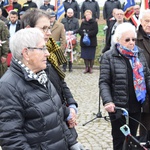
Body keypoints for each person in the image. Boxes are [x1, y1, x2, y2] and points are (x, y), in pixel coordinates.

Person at [0, 28, 83, 150]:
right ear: (26, 53)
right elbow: (12, 138)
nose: (48, 53)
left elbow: (57, 117)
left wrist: (71, 143)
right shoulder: (8, 86)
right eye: (42, 48)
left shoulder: (41, 75)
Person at [21, 8, 78, 130]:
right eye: (43, 28)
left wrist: (72, 105)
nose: (48, 33)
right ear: (28, 29)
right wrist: (66, 113)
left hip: (59, 120)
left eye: (49, 28)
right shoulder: (27, 61)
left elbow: (60, 81)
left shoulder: (49, 53)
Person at [99, 22, 150, 150]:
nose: (132, 42)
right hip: (118, 107)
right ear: (118, 40)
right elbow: (104, 82)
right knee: (119, 140)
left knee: (132, 140)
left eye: (133, 39)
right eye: (127, 40)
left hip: (136, 105)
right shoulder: (109, 57)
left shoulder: (139, 55)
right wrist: (108, 101)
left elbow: (147, 77)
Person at [136, 9, 150, 136]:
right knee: (145, 124)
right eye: (147, 21)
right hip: (143, 89)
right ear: (141, 21)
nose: (149, 24)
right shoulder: (134, 39)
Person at [78, 10, 98, 74]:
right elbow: (80, 30)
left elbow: (96, 31)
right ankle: (86, 67)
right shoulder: (83, 23)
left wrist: (88, 34)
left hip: (92, 41)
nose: (87, 16)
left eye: (89, 15)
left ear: (91, 15)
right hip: (84, 41)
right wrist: (84, 34)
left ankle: (91, 67)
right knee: (85, 56)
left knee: (91, 56)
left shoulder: (94, 22)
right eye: (86, 15)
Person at [61, 8, 79, 72]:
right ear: (66, 13)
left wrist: (72, 32)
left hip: (72, 39)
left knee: (71, 52)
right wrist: (64, 31)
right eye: (68, 13)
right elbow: (61, 28)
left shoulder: (76, 20)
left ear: (73, 13)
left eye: (71, 13)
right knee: (65, 53)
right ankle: (64, 67)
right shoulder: (63, 20)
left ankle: (70, 67)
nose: (70, 14)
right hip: (65, 38)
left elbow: (78, 29)